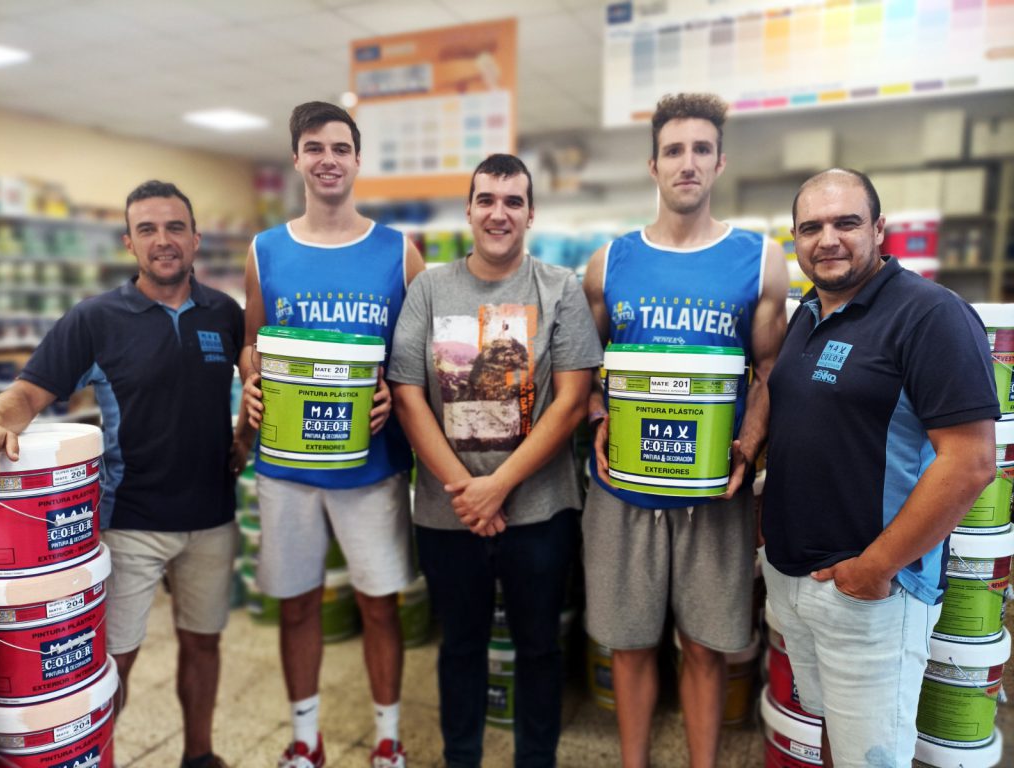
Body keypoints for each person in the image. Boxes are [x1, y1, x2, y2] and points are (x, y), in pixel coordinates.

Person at [0, 180, 248, 768]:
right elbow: (26, 395)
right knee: (112, 662)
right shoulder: (96, 318)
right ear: (129, 241)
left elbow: (253, 385)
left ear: (196, 238)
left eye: (175, 227)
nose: (164, 241)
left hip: (213, 516)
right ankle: (95, 754)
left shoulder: (224, 313)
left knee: (203, 643)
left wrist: (244, 439)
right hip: (130, 521)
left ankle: (200, 754)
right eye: (149, 229)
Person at [760, 168, 997, 767]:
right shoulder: (808, 312)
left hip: (872, 592)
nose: (828, 239)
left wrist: (875, 568)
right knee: (837, 740)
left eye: (846, 222)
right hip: (797, 578)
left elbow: (970, 464)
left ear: (880, 228)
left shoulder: (930, 315)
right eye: (811, 227)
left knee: (873, 755)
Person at [580, 93, 788, 768]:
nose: (688, 163)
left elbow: (769, 370)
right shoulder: (608, 264)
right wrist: (596, 414)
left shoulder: (760, 261)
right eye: (675, 150)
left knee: (705, 645)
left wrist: (751, 446)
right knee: (631, 644)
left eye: (701, 149)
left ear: (720, 160)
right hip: (625, 490)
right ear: (653, 164)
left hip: (713, 490)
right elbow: (584, 368)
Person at [388, 153, 601, 768]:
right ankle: (462, 757)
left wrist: (497, 487)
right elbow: (407, 393)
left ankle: (536, 759)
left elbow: (570, 403)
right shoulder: (429, 288)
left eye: (513, 201)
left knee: (539, 648)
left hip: (539, 512)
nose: (499, 212)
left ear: (531, 212)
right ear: (469, 210)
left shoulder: (558, 288)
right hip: (446, 511)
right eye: (487, 199)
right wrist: (466, 490)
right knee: (460, 648)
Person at [239, 102, 423, 768]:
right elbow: (252, 341)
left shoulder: (399, 251)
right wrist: (250, 378)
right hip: (286, 465)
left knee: (380, 605)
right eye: (314, 147)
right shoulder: (266, 249)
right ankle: (305, 739)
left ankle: (387, 737)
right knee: (296, 606)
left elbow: (420, 352)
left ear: (356, 159)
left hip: (370, 466)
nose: (327, 159)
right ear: (296, 159)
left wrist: (392, 394)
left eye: (340, 148)